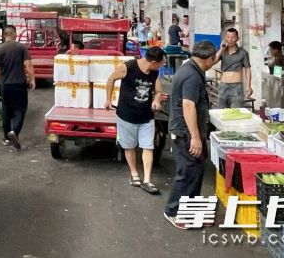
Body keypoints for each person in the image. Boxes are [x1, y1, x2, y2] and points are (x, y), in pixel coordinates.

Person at [164, 40, 218, 229]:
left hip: (188, 131)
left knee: (195, 172)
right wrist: (195, 137)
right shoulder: (192, 76)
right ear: (209, 59)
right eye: (214, 59)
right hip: (185, 133)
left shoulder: (192, 68)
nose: (214, 62)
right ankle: (173, 211)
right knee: (187, 173)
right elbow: (188, 105)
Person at [104, 47, 165, 195]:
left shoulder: (155, 72)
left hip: (146, 116)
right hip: (126, 115)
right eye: (161, 63)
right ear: (154, 62)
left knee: (148, 146)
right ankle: (134, 174)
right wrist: (108, 99)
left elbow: (158, 91)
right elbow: (111, 78)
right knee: (129, 146)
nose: (162, 66)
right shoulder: (128, 67)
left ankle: (147, 180)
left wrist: (157, 100)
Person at [0, 26, 35, 150]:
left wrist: (2, 83)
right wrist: (32, 79)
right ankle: (14, 132)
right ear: (14, 34)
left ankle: (6, 138)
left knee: (6, 111)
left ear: (4, 35)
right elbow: (28, 65)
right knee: (20, 110)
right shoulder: (21, 47)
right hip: (19, 84)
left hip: (6, 86)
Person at [214, 28, 252, 108]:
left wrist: (248, 86)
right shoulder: (222, 51)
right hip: (223, 85)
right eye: (228, 37)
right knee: (221, 111)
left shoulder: (243, 53)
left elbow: (247, 70)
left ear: (237, 38)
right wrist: (221, 49)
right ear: (225, 38)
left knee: (235, 111)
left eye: (233, 37)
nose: (230, 39)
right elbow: (214, 61)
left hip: (237, 87)